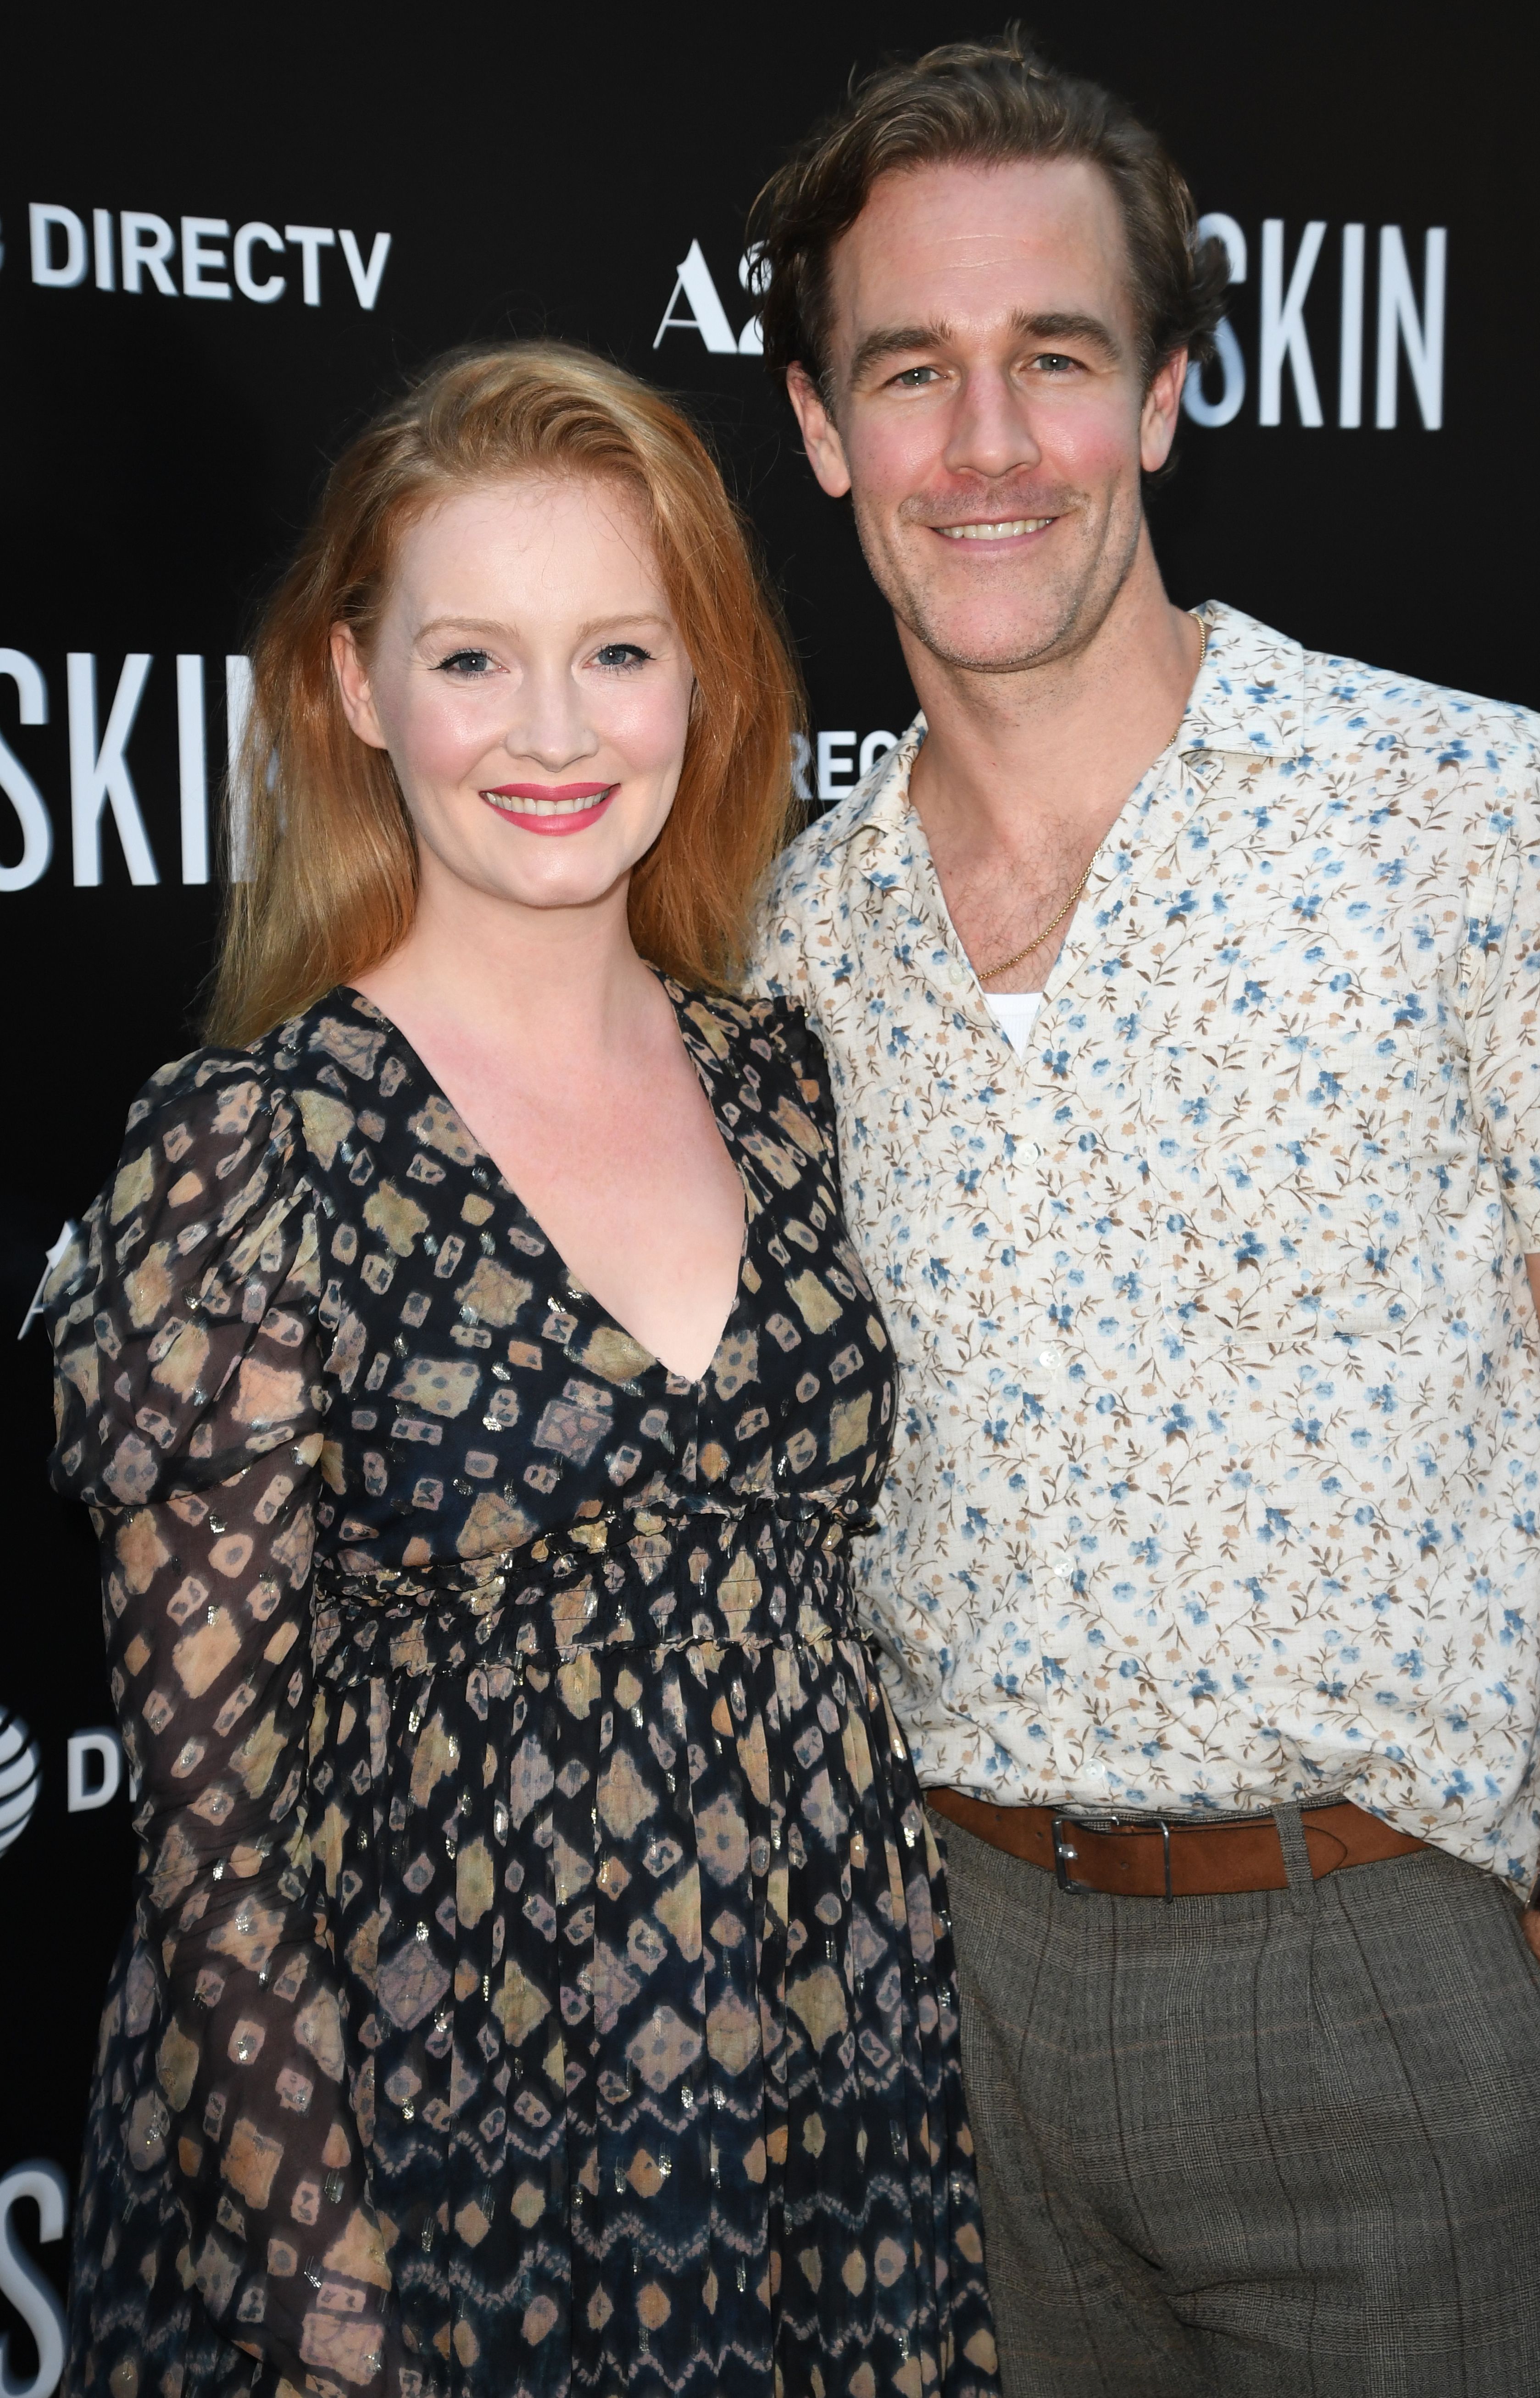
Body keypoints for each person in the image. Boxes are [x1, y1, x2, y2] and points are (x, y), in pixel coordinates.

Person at [745, 31, 1540, 2396]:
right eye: (909, 372)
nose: (987, 443)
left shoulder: (1473, 814)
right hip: (951, 2010)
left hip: (1385, 1980)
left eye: (1055, 357)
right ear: (825, 435)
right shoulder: (786, 938)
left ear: (1156, 397)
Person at [45, 343, 998, 2398]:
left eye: (617, 653)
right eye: (473, 658)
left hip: (817, 2108)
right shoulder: (247, 1151)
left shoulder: (779, 1078)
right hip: (433, 2150)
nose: (553, 733)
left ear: (707, 684)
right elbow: (211, 1832)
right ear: (349, 688)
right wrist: (321, 2282)